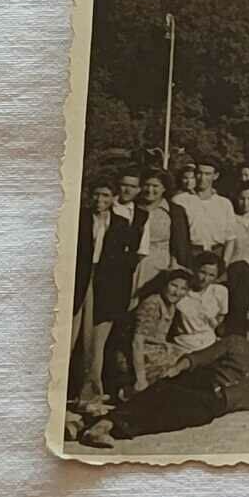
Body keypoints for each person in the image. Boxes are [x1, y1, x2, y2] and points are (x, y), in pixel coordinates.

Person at [78, 313, 249, 448]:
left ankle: (98, 425)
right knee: (163, 393)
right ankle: (102, 426)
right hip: (201, 382)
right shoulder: (237, 341)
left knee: (176, 417)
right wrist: (176, 368)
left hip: (216, 403)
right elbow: (200, 357)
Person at [73, 182, 136, 401]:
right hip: (78, 279)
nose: (100, 200)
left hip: (104, 285)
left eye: (106, 195)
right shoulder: (78, 218)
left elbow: (122, 265)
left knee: (94, 342)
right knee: (69, 335)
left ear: (114, 198)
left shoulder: (121, 224)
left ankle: (90, 394)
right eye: (97, 194)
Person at [127, 269, 192, 393]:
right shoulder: (152, 303)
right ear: (164, 284)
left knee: (187, 358)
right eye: (173, 285)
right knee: (178, 363)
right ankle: (133, 389)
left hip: (152, 350)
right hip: (136, 355)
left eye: (183, 289)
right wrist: (140, 378)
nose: (177, 292)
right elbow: (137, 341)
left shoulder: (171, 305)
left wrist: (163, 343)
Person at [131, 169, 192, 293]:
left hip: (161, 264)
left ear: (164, 188)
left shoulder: (175, 211)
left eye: (155, 186)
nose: (150, 190)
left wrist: (174, 265)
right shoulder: (133, 207)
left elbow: (181, 243)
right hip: (133, 264)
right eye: (146, 185)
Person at [171, 158, 237, 259]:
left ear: (215, 176)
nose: (202, 178)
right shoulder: (180, 200)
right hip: (190, 254)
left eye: (207, 174)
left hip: (217, 254)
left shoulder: (224, 203)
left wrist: (224, 263)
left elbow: (230, 238)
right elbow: (173, 237)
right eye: (199, 173)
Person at [171, 252, 229, 354]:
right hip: (183, 344)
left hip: (209, 344)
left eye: (211, 275)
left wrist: (212, 325)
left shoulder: (220, 291)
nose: (205, 279)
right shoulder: (183, 290)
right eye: (202, 272)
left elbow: (221, 315)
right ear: (194, 269)